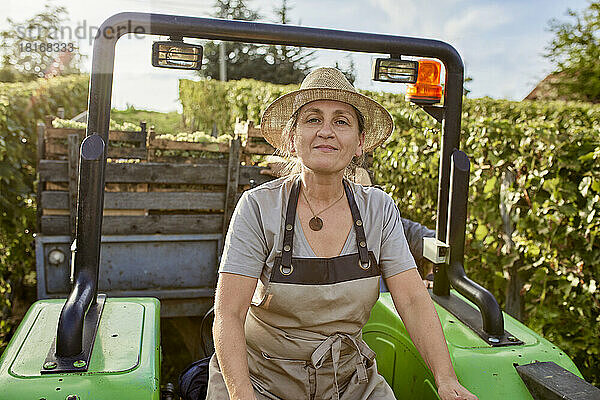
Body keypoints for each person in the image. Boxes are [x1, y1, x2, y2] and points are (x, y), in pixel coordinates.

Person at [207, 67, 478, 400]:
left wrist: (446, 378)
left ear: (359, 143)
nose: (326, 132)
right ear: (292, 140)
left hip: (349, 382)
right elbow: (229, 313)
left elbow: (411, 299)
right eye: (312, 119)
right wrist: (241, 394)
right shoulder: (258, 208)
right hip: (260, 380)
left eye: (341, 121)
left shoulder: (378, 208)